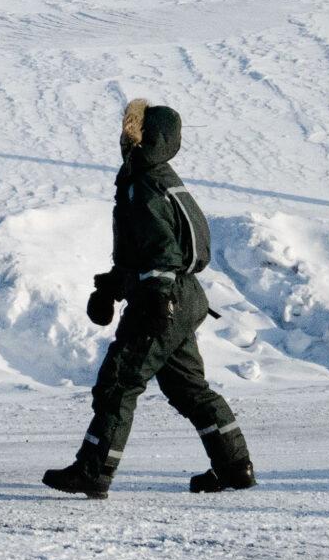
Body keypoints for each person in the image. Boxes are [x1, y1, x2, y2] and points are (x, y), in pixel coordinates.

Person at [43, 100, 256, 499]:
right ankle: (234, 466)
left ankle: (93, 471)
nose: (125, 139)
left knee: (119, 383)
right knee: (189, 388)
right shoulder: (160, 178)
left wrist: (157, 301)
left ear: (146, 138)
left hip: (161, 299)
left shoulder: (143, 184)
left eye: (132, 132)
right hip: (182, 297)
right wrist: (109, 288)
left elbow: (160, 251)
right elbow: (143, 251)